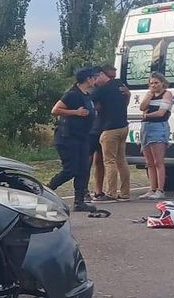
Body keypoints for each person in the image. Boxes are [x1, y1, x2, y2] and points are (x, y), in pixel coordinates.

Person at [47, 66, 101, 212]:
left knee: (83, 169)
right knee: (70, 170)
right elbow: (55, 110)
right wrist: (75, 112)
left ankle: (79, 201)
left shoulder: (87, 95)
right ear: (87, 79)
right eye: (94, 78)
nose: (96, 80)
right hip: (68, 137)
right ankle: (47, 189)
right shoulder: (72, 94)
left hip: (82, 137)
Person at [93, 64, 132, 201]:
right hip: (123, 126)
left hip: (109, 129)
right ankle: (125, 192)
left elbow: (91, 103)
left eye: (95, 78)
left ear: (101, 74)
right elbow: (125, 99)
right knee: (121, 160)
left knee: (109, 161)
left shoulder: (101, 90)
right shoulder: (119, 84)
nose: (94, 82)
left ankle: (111, 193)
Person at [138, 72, 173, 199]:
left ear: (162, 83)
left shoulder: (167, 94)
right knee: (149, 162)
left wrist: (147, 115)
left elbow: (161, 113)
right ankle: (152, 188)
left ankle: (160, 189)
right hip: (146, 127)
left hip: (158, 127)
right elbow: (142, 107)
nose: (154, 85)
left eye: (156, 83)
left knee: (158, 161)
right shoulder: (150, 94)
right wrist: (149, 95)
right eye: (151, 83)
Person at [87, 69, 108, 201]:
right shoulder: (88, 92)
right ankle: (83, 190)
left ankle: (98, 190)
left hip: (102, 128)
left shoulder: (104, 90)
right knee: (87, 161)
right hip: (90, 130)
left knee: (100, 161)